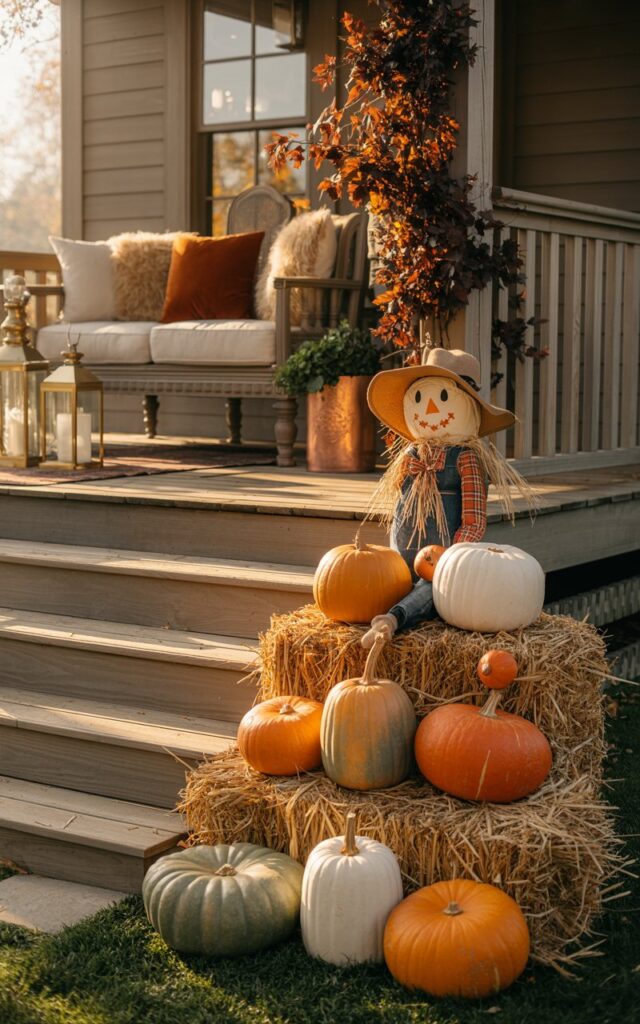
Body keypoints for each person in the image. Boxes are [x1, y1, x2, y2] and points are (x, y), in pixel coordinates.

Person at [361, 348, 533, 647]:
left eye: (442, 398)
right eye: (419, 399)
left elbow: (474, 518)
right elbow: (399, 495)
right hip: (402, 548)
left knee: (434, 584)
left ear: (469, 406)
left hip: (439, 555)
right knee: (391, 576)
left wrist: (454, 554)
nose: (428, 410)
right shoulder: (411, 454)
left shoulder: (467, 458)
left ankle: (392, 619)